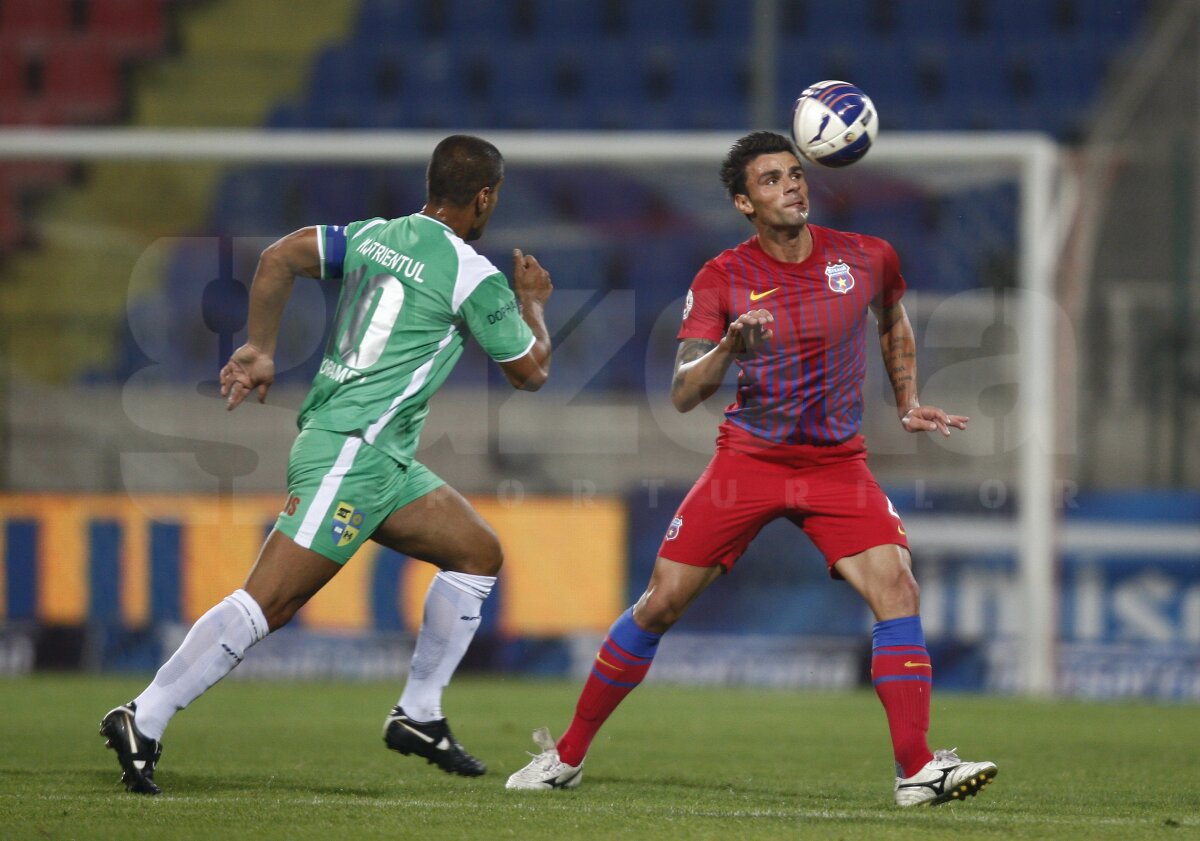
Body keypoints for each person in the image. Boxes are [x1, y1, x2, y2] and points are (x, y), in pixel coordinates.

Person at [506, 131, 997, 807]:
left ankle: (916, 769)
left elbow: (893, 318)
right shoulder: (721, 277)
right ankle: (565, 756)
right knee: (660, 602)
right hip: (750, 462)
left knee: (898, 587)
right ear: (743, 202)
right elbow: (683, 391)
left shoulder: (866, 256)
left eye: (795, 174)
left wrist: (907, 399)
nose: (790, 186)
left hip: (836, 465)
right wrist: (729, 348)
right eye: (770, 179)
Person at [100, 134, 553, 795]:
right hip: (352, 452)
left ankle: (419, 712)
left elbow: (280, 256)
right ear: (484, 198)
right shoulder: (471, 274)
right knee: (270, 600)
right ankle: (145, 715)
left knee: (477, 552)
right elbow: (530, 372)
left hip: (382, 457)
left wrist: (260, 347)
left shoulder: (373, 235)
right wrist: (533, 303)